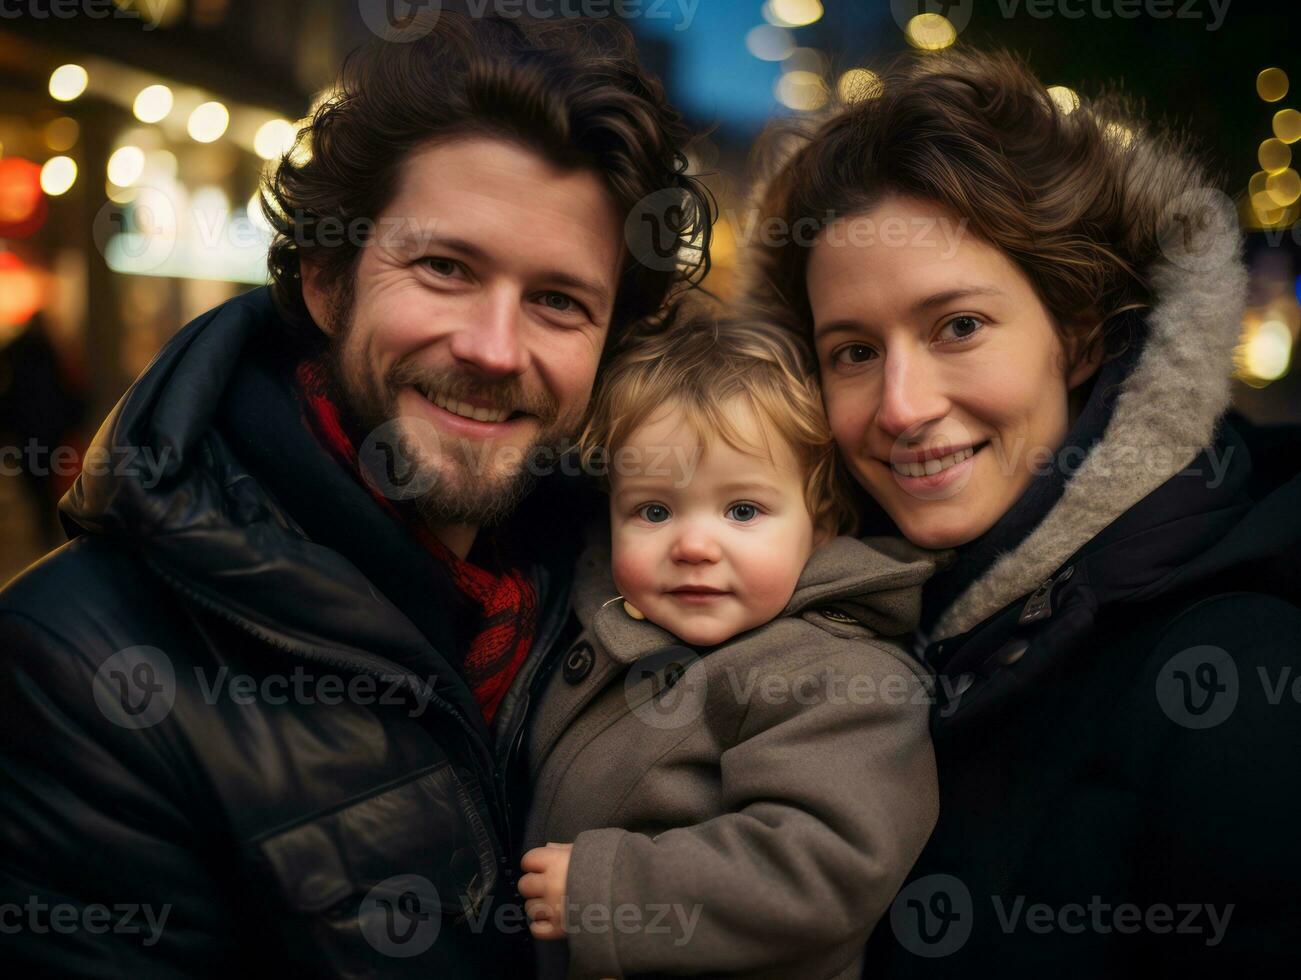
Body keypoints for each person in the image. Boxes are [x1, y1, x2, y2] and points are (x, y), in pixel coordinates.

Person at [0, 13, 711, 976]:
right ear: (330, 282)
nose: (495, 350)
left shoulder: (642, 593)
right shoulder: (74, 663)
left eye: (558, 301)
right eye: (445, 268)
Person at [747, 49, 1301, 976]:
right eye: (850, 351)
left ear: (1079, 331)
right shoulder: (821, 627)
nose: (899, 406)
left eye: (957, 326)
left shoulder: (1240, 679)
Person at [517, 307, 941, 979]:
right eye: (652, 511)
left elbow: (825, 867)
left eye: (742, 511)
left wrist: (613, 894)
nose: (691, 546)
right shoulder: (600, 625)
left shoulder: (840, 676)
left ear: (820, 525)